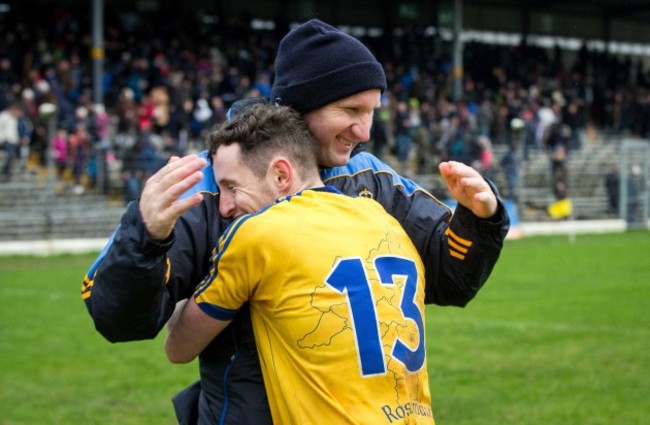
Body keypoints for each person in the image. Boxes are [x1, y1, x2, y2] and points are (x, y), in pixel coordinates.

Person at [81, 19, 509, 424]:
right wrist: (147, 237)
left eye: (372, 110)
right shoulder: (205, 187)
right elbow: (117, 318)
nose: (365, 130)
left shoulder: (370, 177)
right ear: (302, 107)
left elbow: (450, 276)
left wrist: (479, 219)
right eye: (351, 109)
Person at [166, 103, 434, 424]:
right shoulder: (385, 221)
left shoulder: (257, 234)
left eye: (231, 186)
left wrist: (181, 254)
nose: (223, 207)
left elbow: (179, 348)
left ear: (281, 174)